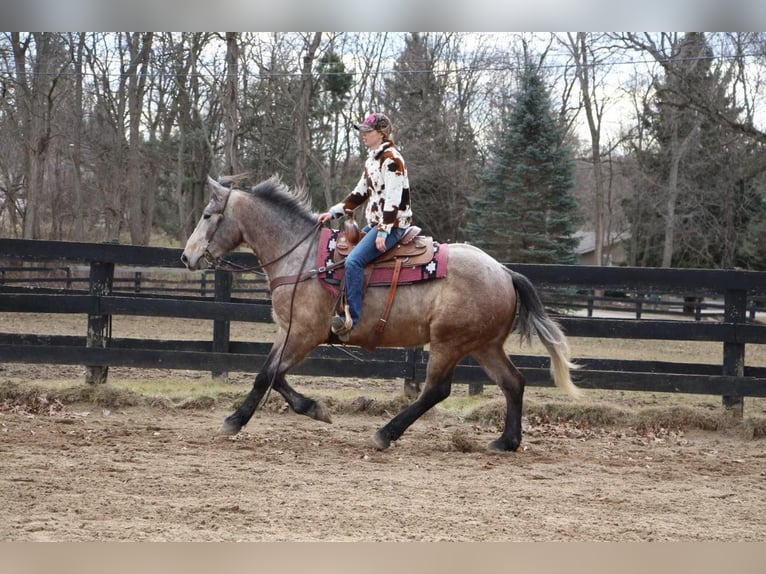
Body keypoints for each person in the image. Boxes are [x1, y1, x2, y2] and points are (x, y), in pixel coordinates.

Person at [317, 112, 413, 341]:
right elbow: (359, 194)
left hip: (394, 225)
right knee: (343, 255)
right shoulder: (372, 160)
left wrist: (383, 231)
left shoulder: (392, 160)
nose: (363, 135)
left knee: (354, 261)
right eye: (362, 131)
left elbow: (394, 199)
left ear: (381, 134)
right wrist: (333, 212)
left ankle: (353, 321)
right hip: (376, 224)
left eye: (367, 132)